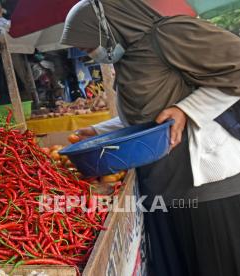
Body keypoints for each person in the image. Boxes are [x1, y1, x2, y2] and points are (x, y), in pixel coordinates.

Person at [61, 1, 240, 276]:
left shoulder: (168, 35)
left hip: (206, 192)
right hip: (161, 189)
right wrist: (99, 131)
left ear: (108, 27)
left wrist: (187, 110)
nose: (89, 54)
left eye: (88, 45)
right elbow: (152, 114)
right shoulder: (130, 57)